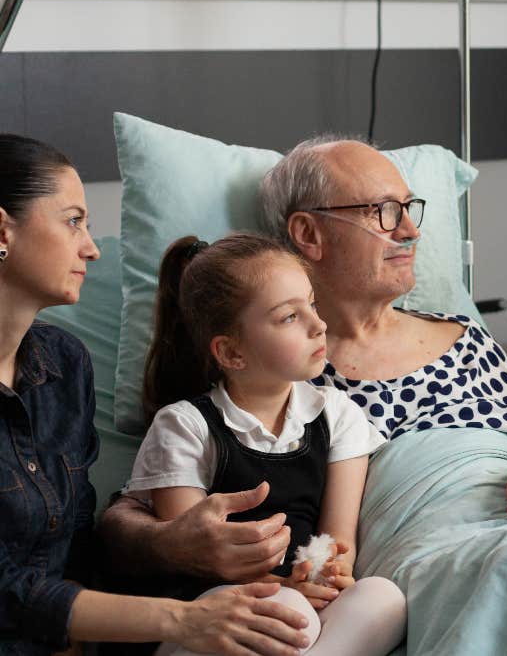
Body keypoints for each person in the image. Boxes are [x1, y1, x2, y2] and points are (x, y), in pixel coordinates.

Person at [99, 136, 507, 597]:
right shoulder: (274, 371)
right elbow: (132, 515)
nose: (410, 232)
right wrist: (171, 544)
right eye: (382, 211)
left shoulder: (464, 338)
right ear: (308, 235)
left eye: (409, 208)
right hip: (446, 564)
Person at [0, 135, 312, 655]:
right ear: (1, 230)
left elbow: (82, 540)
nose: (92, 248)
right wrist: (181, 619)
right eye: (73, 220)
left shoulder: (64, 366)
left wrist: (174, 548)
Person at [129, 232, 406, 656]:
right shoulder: (184, 427)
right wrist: (285, 589)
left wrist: (326, 575)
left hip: (302, 611)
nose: (320, 324)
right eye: (289, 317)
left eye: (311, 304)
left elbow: (336, 542)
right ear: (231, 352)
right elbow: (192, 559)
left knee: (383, 598)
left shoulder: (338, 414)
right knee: (284, 606)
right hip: (208, 617)